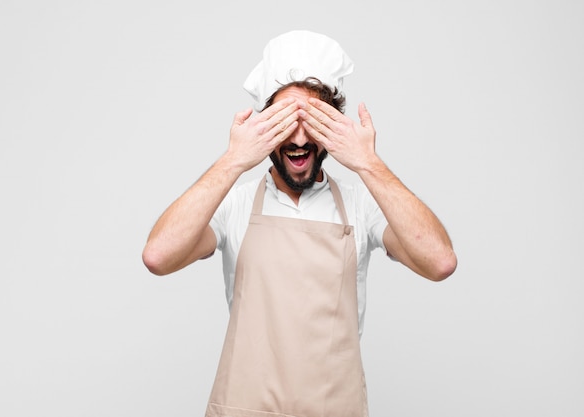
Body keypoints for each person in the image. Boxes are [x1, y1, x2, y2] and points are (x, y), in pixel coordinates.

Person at [142, 30, 457, 417]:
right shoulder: (234, 205)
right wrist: (233, 161)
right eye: (284, 119)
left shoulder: (362, 206)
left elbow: (440, 262)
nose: (299, 136)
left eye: (315, 120)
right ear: (264, 125)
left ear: (334, 127)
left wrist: (368, 163)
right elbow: (158, 256)